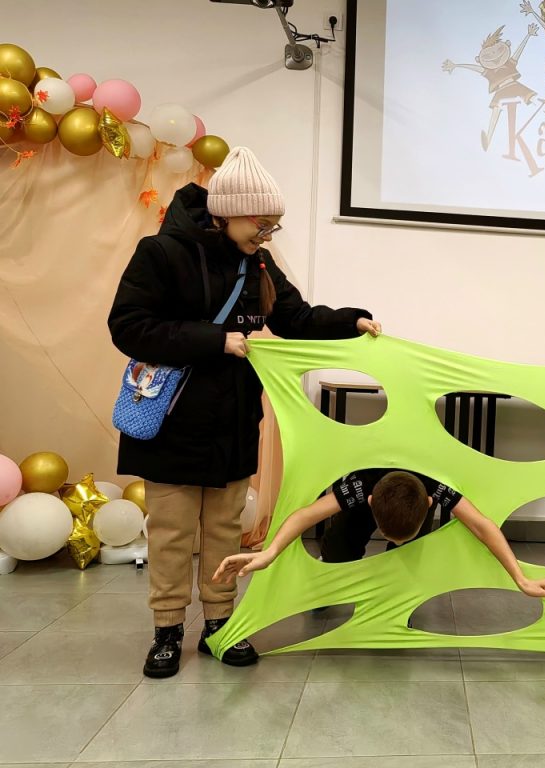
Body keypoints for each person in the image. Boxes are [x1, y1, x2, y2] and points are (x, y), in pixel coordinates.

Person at [108, 147, 382, 679]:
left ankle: (220, 624)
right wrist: (215, 340)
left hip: (233, 419)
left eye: (273, 225)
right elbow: (129, 326)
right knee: (171, 533)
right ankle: (167, 631)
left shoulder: (256, 262)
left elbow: (295, 317)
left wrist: (351, 321)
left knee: (224, 530)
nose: (268, 234)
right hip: (172, 420)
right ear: (228, 212)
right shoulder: (160, 253)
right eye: (262, 223)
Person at [213, 469, 545, 603]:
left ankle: (399, 583)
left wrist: (521, 578)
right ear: (372, 502)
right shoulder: (361, 486)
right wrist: (271, 551)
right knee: (338, 555)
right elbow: (307, 514)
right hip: (370, 496)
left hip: (410, 493)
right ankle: (333, 566)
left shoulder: (436, 486)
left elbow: (482, 526)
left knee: (406, 569)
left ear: (431, 503)